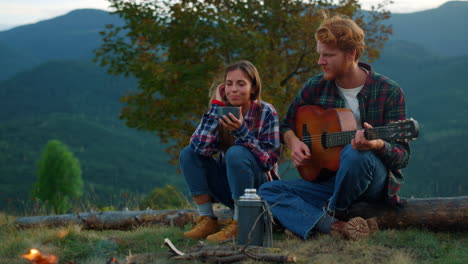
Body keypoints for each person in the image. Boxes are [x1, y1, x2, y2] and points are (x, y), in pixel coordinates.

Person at [259, 14, 411, 241]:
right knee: (267, 191)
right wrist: (294, 142)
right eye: (319, 54)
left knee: (355, 153)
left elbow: (402, 157)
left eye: (328, 55)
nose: (320, 61)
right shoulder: (315, 86)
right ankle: (335, 226)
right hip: (327, 182)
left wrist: (377, 144)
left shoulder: (388, 91)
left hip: (371, 182)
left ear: (351, 54)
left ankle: (327, 214)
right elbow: (287, 124)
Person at [179, 60, 281, 242]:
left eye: (241, 84)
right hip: (231, 188)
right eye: (229, 83)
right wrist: (216, 106)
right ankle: (207, 219)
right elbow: (199, 148)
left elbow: (268, 161)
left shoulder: (266, 111)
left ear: (253, 88)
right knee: (188, 153)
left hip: (259, 190)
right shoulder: (222, 110)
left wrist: (241, 130)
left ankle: (241, 222)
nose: (233, 89)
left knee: (236, 153)